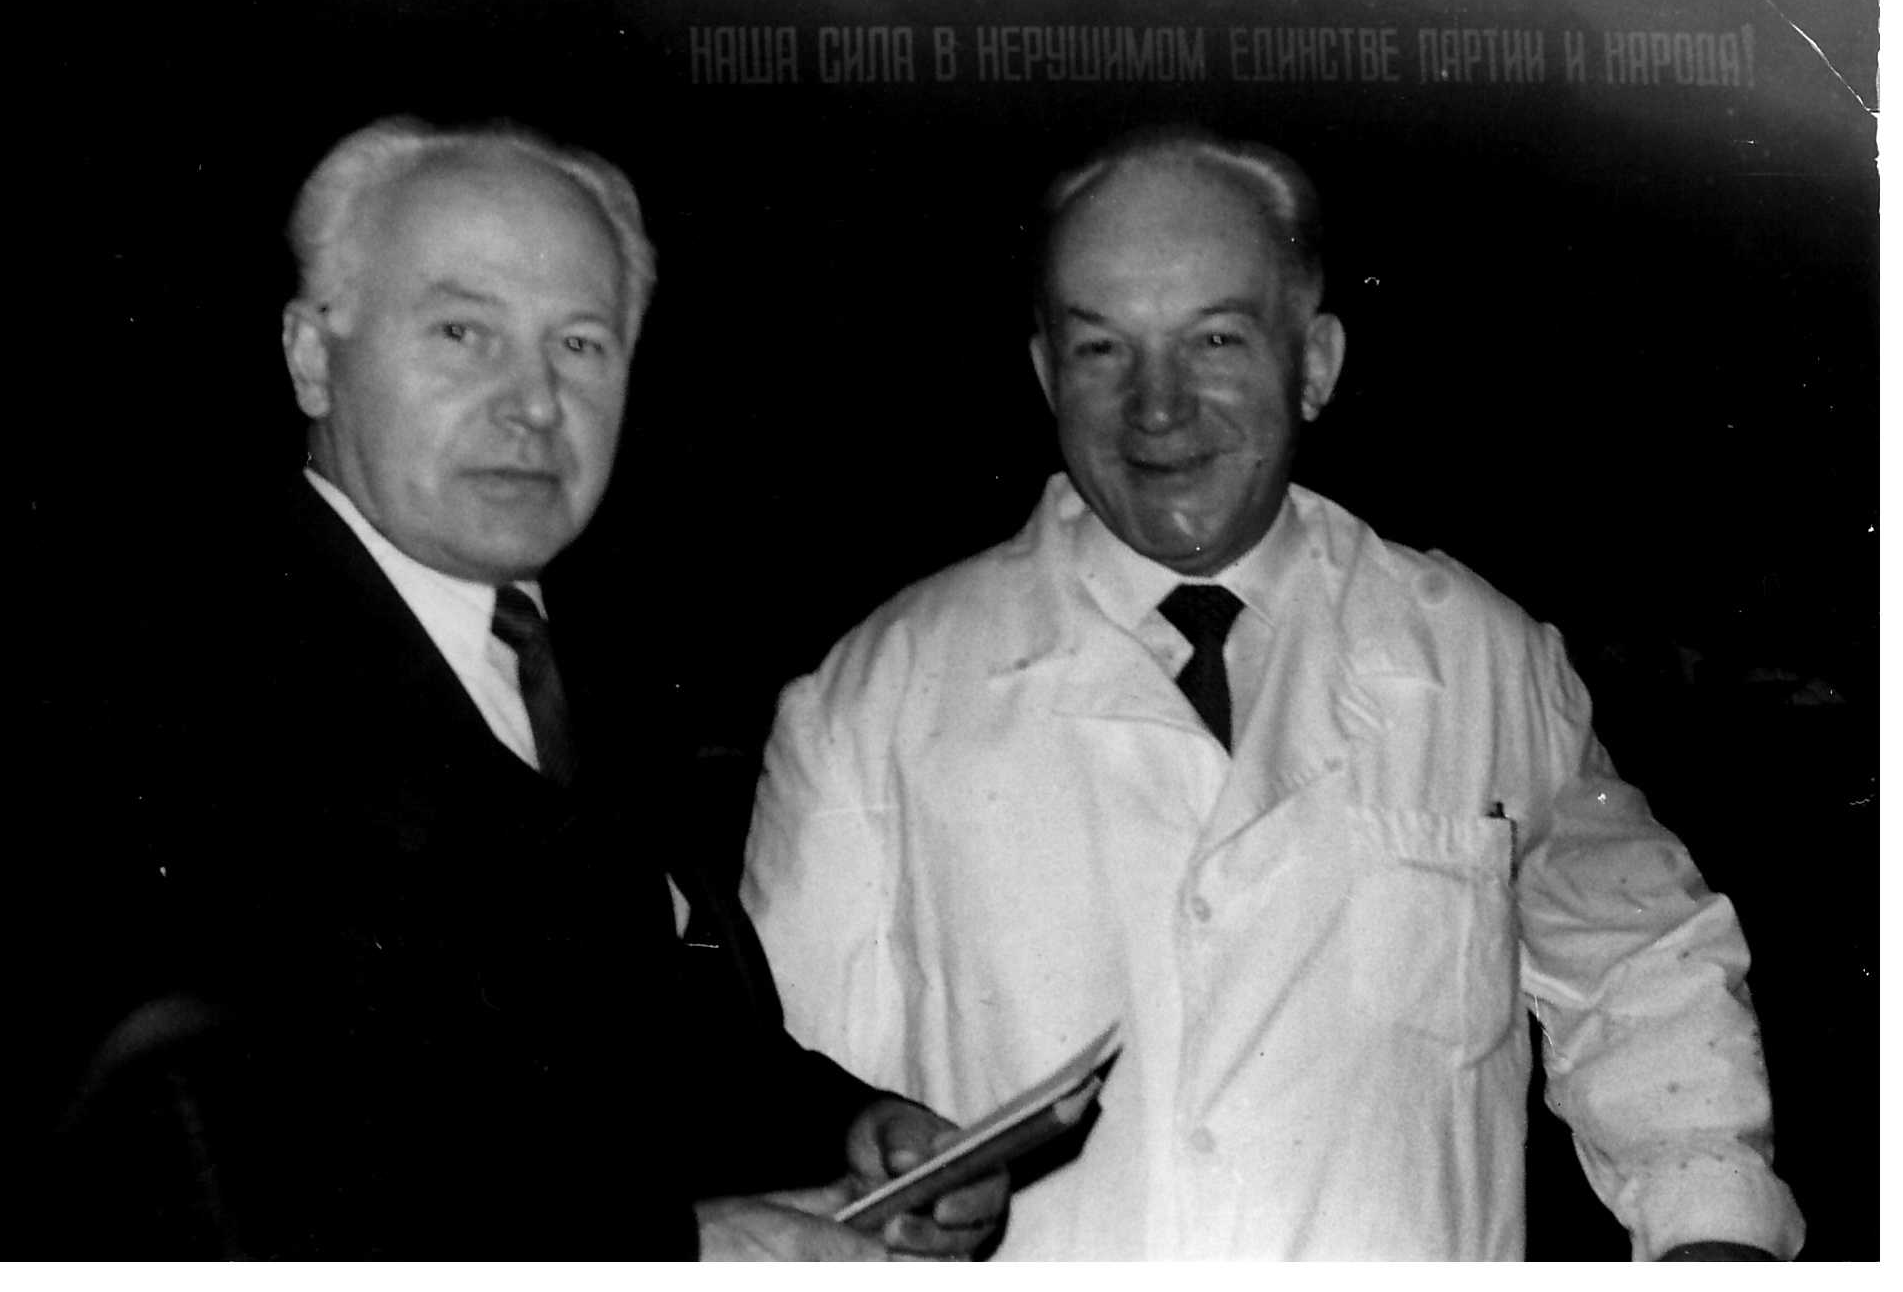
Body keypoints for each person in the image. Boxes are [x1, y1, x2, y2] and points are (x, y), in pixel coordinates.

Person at [741, 125, 1805, 1260]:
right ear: (1046, 373)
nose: (1156, 407)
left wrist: (1714, 1237)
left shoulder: (1478, 660)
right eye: (1101, 348)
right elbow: (783, 1110)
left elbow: (1640, 966)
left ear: (1316, 363)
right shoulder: (871, 701)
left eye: (1214, 339)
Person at [55, 116, 1007, 1260]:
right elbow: (195, 1164)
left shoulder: (601, 669)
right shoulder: (167, 686)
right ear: (311, 355)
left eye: (580, 345)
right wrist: (668, 1250)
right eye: (463, 332)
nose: (535, 403)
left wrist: (853, 1131)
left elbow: (643, 1044)